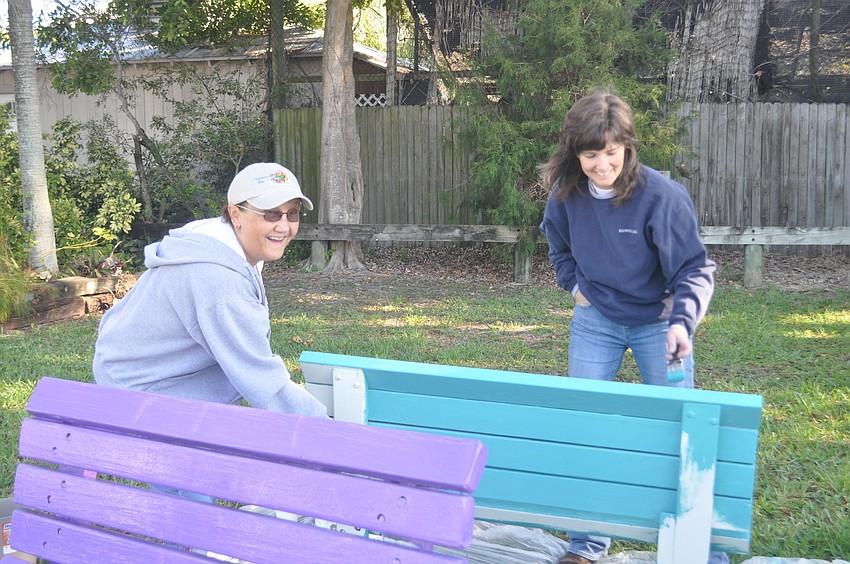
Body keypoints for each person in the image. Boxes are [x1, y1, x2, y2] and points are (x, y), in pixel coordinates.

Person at [538, 93, 721, 564]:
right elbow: (556, 240)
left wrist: (683, 322)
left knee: (680, 431)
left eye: (611, 152)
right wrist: (572, 285)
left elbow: (694, 271)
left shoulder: (661, 196)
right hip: (595, 321)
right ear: (575, 152)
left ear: (627, 147)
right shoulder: (566, 193)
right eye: (591, 153)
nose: (602, 165)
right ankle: (585, 547)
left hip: (660, 326)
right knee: (587, 428)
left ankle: (694, 546)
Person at [93, 162, 327, 419]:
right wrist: (327, 428)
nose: (283, 226)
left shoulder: (218, 242)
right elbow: (260, 378)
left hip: (127, 378)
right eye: (270, 214)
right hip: (143, 399)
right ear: (235, 214)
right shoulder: (220, 281)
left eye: (292, 214)